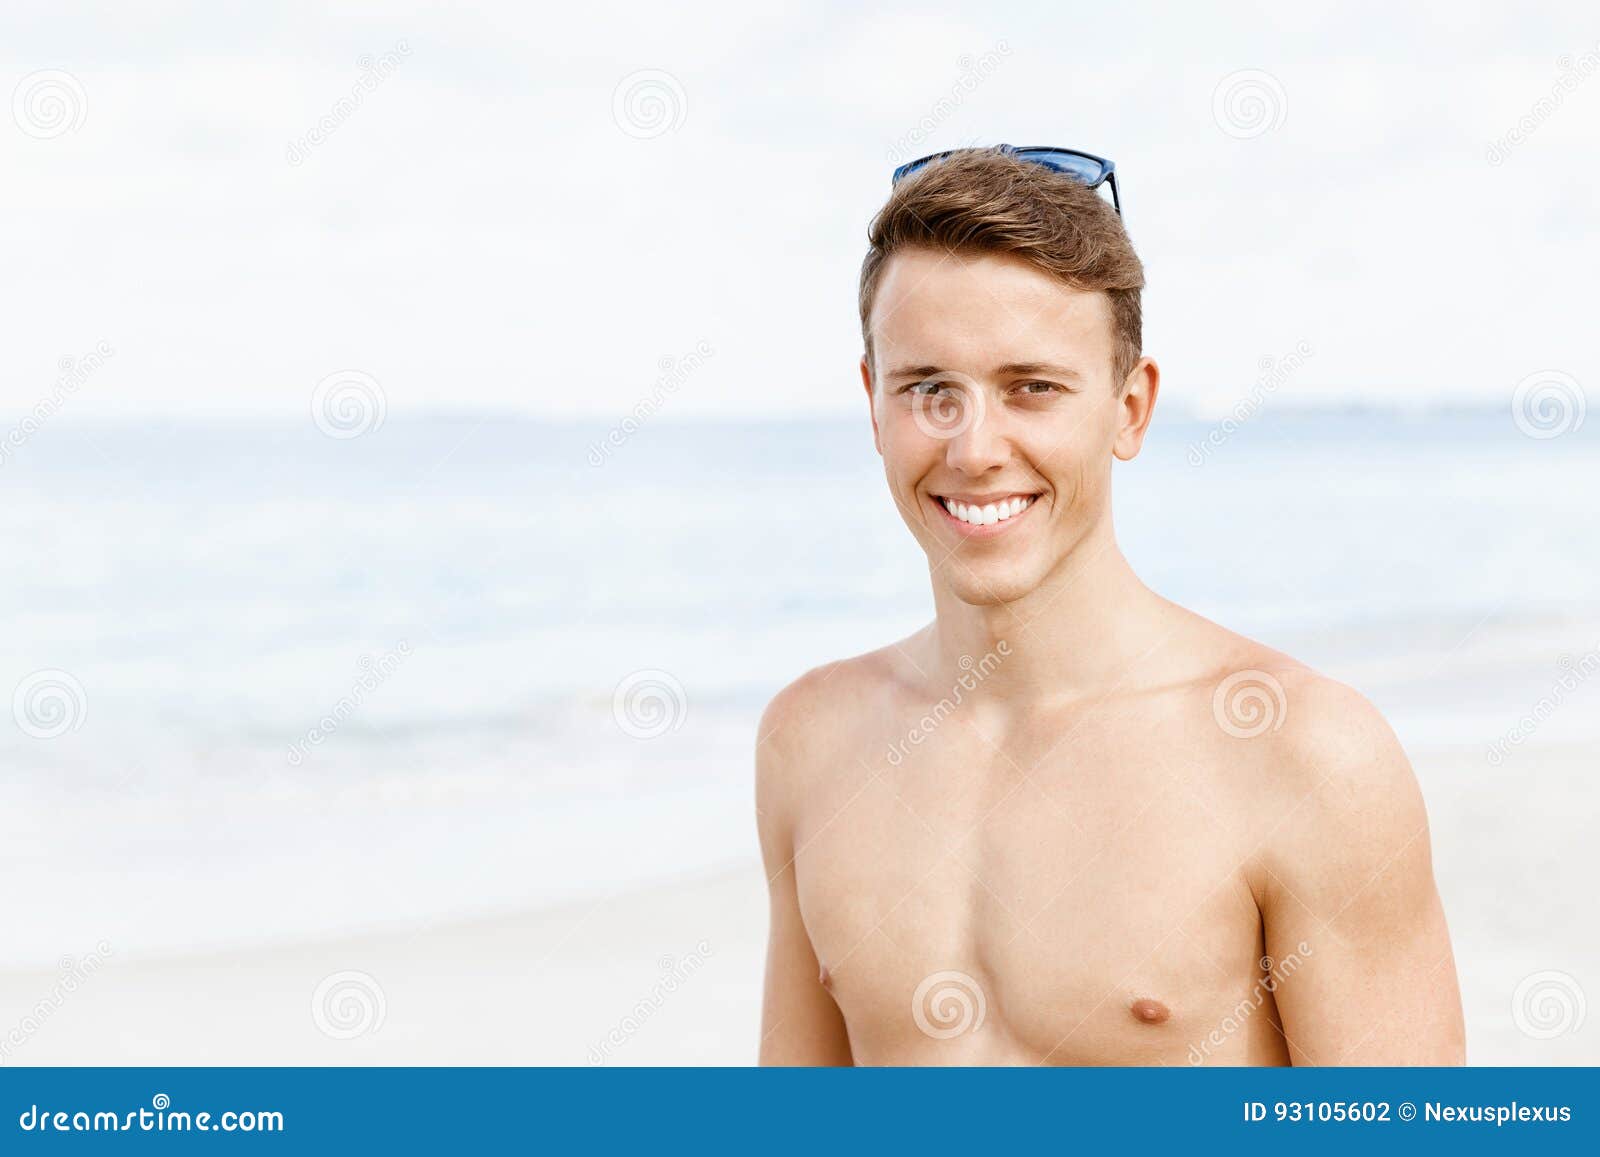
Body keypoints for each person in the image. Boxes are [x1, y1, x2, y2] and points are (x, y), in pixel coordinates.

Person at [755, 145, 1464, 1065]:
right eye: (929, 389)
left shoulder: (1303, 754)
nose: (974, 449)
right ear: (873, 404)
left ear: (1130, 408)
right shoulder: (811, 742)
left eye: (1032, 388)